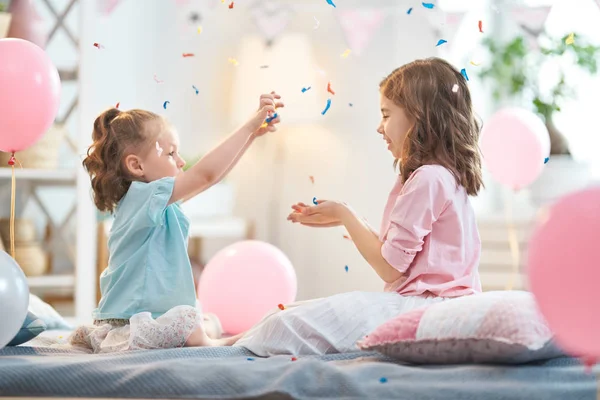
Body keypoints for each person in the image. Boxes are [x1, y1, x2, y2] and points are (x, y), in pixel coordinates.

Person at [231, 57, 484, 356]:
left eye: (386, 115)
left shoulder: (429, 178)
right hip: (436, 308)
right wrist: (343, 217)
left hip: (426, 311)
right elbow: (400, 259)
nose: (380, 127)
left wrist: (345, 215)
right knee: (288, 314)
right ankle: (227, 342)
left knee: (288, 323)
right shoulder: (442, 176)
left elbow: (390, 269)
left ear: (419, 116)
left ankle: (225, 346)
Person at [69, 93, 284, 353]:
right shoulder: (143, 197)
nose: (181, 162)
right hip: (133, 320)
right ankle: (214, 343)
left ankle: (206, 332)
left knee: (205, 320)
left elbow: (212, 179)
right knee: (192, 326)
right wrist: (248, 126)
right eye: (171, 153)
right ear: (136, 165)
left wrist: (251, 136)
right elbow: (205, 175)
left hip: (147, 315)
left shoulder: (157, 201)